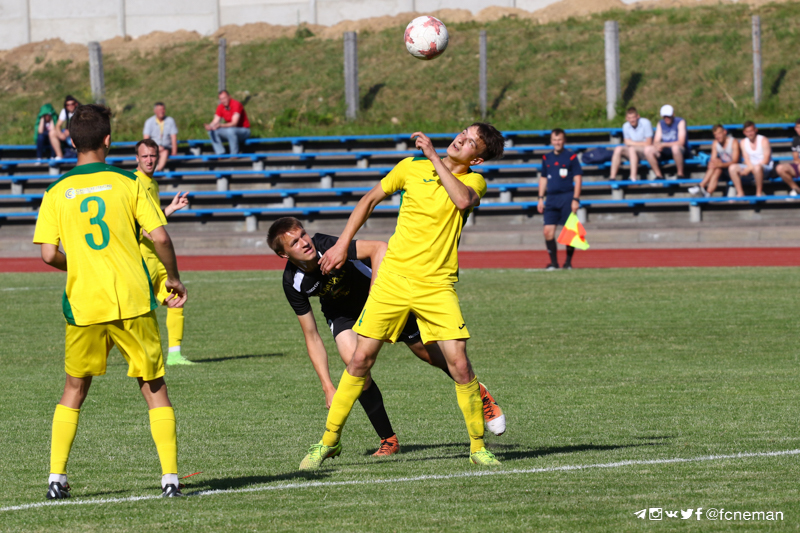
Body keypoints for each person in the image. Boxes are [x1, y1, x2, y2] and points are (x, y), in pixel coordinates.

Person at [298, 123, 506, 470]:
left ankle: (477, 448)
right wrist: (342, 244)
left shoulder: (473, 182)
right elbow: (369, 200)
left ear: (477, 159)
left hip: (436, 284)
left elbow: (462, 200)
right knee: (360, 361)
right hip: (392, 281)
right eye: (463, 132)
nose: (461, 138)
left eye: (472, 141)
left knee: (459, 364)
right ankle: (328, 442)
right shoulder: (410, 166)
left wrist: (434, 158)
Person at [32, 104, 188, 499]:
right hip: (131, 300)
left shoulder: (55, 191)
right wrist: (172, 278)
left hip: (84, 303)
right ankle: (170, 480)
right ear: (108, 140)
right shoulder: (129, 182)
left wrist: (81, 264)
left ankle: (56, 478)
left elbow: (48, 254)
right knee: (153, 387)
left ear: (71, 142)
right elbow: (161, 237)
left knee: (74, 388)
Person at [268, 217, 505, 456]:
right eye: (294, 242)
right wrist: (327, 386)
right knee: (356, 367)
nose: (304, 242)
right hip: (342, 314)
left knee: (430, 355)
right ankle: (388, 440)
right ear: (283, 254)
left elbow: (379, 248)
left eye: (303, 235)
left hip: (386, 297)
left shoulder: (325, 244)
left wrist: (375, 299)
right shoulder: (292, 283)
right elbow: (311, 336)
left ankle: (479, 393)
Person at [135, 138, 193, 365]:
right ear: (137, 158)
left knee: (176, 297)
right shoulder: (135, 182)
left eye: (153, 156)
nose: (149, 160)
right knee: (136, 311)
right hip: (141, 259)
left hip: (156, 257)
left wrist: (170, 209)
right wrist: (146, 232)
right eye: (145, 156)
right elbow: (136, 222)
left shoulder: (152, 183)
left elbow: (152, 220)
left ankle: (175, 355)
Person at [538, 128, 582, 270]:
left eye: (559, 140)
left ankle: (568, 263)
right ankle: (554, 263)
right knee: (547, 231)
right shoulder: (546, 158)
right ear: (551, 141)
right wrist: (540, 198)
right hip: (551, 198)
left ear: (564, 140)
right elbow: (543, 178)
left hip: (567, 197)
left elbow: (578, 178)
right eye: (554, 140)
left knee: (569, 232)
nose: (557, 142)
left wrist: (576, 199)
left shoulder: (571, 157)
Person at [689, 124, 740, 198]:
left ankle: (701, 186)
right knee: (716, 166)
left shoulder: (733, 142)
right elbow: (713, 160)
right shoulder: (715, 143)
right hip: (723, 169)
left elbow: (735, 161)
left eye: (719, 133)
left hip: (734, 171)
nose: (717, 136)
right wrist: (713, 163)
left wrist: (720, 164)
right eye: (715, 135)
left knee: (718, 166)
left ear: (724, 132)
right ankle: (706, 192)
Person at [609, 107, 660, 181]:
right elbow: (627, 142)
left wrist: (632, 143)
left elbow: (649, 143)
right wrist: (634, 143)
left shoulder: (646, 123)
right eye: (629, 118)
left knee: (632, 148)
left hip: (645, 151)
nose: (632, 120)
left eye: (633, 117)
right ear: (626, 118)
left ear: (638, 116)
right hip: (633, 150)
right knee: (618, 149)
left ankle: (633, 177)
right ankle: (612, 177)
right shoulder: (625, 126)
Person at [729, 121, 773, 197]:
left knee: (757, 167)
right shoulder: (743, 142)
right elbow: (746, 159)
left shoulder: (763, 140)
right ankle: (740, 192)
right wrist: (749, 168)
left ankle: (758, 193)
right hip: (751, 167)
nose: (750, 133)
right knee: (732, 168)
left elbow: (766, 160)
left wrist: (750, 168)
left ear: (756, 130)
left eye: (751, 131)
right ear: (744, 132)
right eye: (747, 132)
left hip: (764, 168)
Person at [204, 90, 250, 155]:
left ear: (229, 97)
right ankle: (220, 153)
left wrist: (220, 125)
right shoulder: (220, 107)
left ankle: (234, 154)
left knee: (230, 130)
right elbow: (215, 121)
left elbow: (234, 123)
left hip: (243, 131)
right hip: (230, 131)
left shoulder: (236, 104)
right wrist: (210, 126)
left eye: (224, 98)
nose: (223, 100)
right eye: (221, 99)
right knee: (211, 132)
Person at [652, 105, 688, 179]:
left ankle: (680, 174)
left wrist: (664, 144)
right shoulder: (660, 123)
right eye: (664, 116)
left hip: (680, 150)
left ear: (673, 115)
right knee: (648, 150)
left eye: (668, 116)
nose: (666, 118)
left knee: (675, 148)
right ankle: (658, 175)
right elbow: (656, 140)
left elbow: (681, 142)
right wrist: (658, 146)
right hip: (666, 150)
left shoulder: (680, 122)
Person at [142, 102, 179, 172]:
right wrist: (156, 147)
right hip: (153, 147)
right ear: (155, 111)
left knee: (165, 152)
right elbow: (146, 139)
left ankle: (157, 170)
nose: (162, 111)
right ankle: (153, 169)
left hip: (166, 147)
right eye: (159, 110)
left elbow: (173, 138)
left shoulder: (170, 121)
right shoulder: (149, 122)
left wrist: (174, 152)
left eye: (163, 109)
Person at [774, 118, 800, 197]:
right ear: (795, 129)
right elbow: (795, 158)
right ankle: (796, 189)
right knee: (779, 168)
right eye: (798, 127)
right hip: (798, 165)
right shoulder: (796, 140)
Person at [48, 95, 80, 160]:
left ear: (76, 104)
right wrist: (60, 134)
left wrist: (70, 131)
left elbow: (82, 126)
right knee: (52, 133)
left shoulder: (80, 112)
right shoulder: (64, 111)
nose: (70, 106)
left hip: (78, 134)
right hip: (68, 137)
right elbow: (58, 125)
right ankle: (59, 156)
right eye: (68, 105)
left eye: (72, 104)